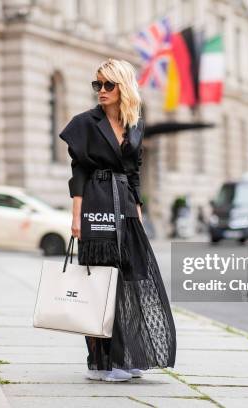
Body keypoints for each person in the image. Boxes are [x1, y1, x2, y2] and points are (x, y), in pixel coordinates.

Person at [58, 58, 177, 382]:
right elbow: (79, 170)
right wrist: (76, 215)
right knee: (99, 284)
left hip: (124, 208)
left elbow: (134, 173)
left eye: (108, 84)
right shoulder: (84, 123)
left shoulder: (135, 124)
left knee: (129, 283)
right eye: (97, 84)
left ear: (123, 87)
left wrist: (137, 213)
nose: (101, 91)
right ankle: (101, 362)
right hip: (95, 204)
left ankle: (128, 357)